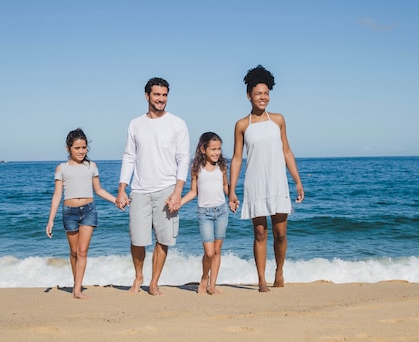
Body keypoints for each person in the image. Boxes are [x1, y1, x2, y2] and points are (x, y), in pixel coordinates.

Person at [228, 65, 305, 293]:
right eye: (258, 93)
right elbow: (236, 158)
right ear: (249, 95)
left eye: (266, 93)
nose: (263, 97)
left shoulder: (278, 120)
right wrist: (232, 190)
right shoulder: (242, 125)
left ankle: (279, 271)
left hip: (277, 182)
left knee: (280, 234)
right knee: (260, 233)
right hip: (255, 184)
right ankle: (261, 280)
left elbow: (287, 151)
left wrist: (297, 181)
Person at [116, 77, 190, 296]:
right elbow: (129, 156)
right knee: (137, 239)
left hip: (167, 189)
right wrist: (122, 188)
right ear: (147, 96)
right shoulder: (135, 124)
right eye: (157, 95)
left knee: (163, 239)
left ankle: (154, 282)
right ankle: (139, 276)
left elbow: (183, 159)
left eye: (164, 95)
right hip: (139, 189)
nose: (161, 99)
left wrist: (178, 192)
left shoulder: (177, 123)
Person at [46, 128, 117, 299]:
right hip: (69, 212)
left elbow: (98, 190)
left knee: (83, 251)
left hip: (88, 211)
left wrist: (116, 200)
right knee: (74, 252)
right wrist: (50, 221)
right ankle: (76, 283)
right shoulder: (61, 168)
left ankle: (77, 289)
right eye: (77, 148)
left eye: (84, 147)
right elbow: (57, 195)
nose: (81, 151)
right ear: (68, 148)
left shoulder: (91, 166)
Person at [180, 132, 229, 295]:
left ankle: (212, 285)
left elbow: (225, 187)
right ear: (203, 149)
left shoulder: (222, 167)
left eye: (219, 149)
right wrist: (178, 202)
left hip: (222, 211)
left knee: (217, 250)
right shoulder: (196, 169)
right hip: (204, 213)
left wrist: (233, 198)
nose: (217, 153)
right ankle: (203, 278)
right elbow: (193, 192)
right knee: (209, 252)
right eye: (213, 149)